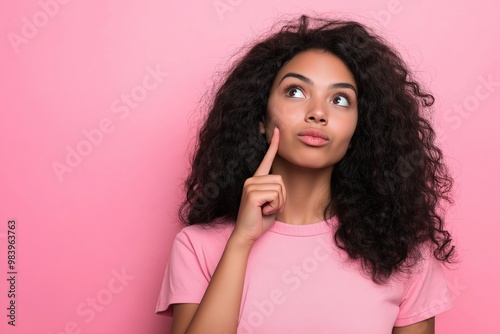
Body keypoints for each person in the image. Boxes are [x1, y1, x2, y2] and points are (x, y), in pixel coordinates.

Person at [155, 14, 456, 334]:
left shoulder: (402, 253)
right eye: (296, 92)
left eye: (340, 99)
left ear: (359, 128)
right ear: (261, 116)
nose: (318, 113)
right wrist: (240, 242)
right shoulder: (197, 246)